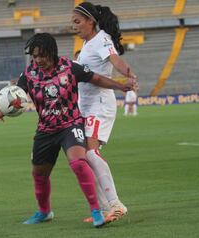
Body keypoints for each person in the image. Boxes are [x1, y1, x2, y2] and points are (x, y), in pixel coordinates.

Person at [0, 33, 135, 227]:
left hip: (70, 125)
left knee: (79, 162)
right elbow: (14, 99)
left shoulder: (70, 67)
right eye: (34, 56)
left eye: (42, 55)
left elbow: (96, 78)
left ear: (52, 52)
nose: (38, 60)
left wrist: (121, 86)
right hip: (46, 130)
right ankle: (44, 212)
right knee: (39, 173)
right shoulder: (29, 74)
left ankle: (97, 211)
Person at [72, 2, 138, 222]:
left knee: (90, 153)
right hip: (85, 106)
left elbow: (115, 59)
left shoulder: (101, 39)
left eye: (77, 21)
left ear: (91, 21)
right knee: (82, 158)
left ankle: (115, 204)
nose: (74, 26)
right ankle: (102, 209)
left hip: (99, 105)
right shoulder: (87, 46)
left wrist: (129, 75)